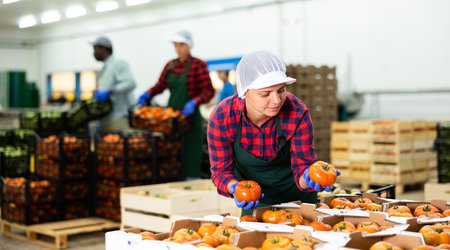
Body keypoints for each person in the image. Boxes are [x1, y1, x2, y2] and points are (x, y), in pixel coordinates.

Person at [207, 51, 340, 215]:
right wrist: (234, 187)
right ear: (244, 92)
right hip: (255, 201)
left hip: (300, 200)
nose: (277, 100)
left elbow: (302, 165)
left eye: (281, 90)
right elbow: (221, 172)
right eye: (265, 94)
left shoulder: (297, 112)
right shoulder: (223, 118)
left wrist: (309, 178)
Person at [137, 30, 215, 179]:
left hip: (190, 118)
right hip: (171, 118)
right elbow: (160, 85)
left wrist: (194, 102)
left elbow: (209, 91)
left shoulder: (198, 65)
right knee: (172, 152)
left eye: (182, 45)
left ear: (189, 45)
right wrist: (148, 93)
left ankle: (192, 182)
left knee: (191, 153)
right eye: (175, 45)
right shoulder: (170, 65)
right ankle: (172, 179)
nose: (178, 49)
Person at [91, 36, 136, 130]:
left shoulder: (118, 64)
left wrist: (110, 91)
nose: (93, 53)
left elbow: (130, 83)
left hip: (120, 119)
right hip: (108, 119)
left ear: (104, 49)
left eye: (95, 49)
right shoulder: (106, 68)